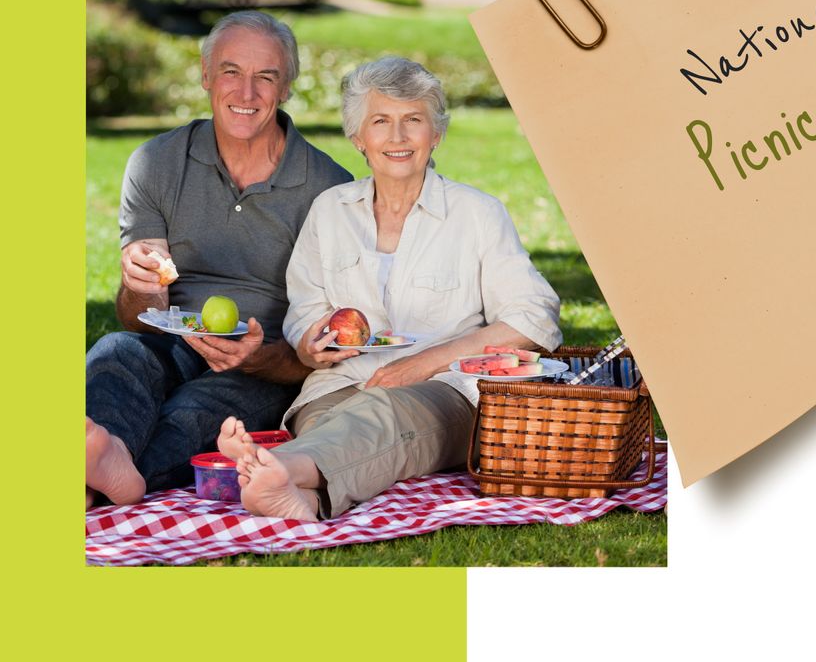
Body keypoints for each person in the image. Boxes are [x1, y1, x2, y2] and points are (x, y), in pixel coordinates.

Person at [216, 56, 561, 521]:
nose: (397, 138)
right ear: (359, 137)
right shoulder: (330, 211)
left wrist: (420, 365)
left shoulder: (476, 214)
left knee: (384, 416)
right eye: (381, 121)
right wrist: (310, 346)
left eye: (412, 121)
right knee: (329, 424)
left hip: (446, 392)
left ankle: (277, 464)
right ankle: (303, 500)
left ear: (435, 134)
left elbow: (534, 318)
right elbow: (304, 310)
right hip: (340, 383)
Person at [85, 11, 352, 509]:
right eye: (231, 71)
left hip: (263, 366)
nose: (245, 93)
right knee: (115, 353)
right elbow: (134, 319)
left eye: (265, 77)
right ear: (206, 76)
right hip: (172, 342)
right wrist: (142, 284)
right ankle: (101, 467)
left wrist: (263, 359)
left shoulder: (329, 190)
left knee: (196, 412)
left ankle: (103, 484)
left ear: (287, 86)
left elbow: (325, 351)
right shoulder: (155, 162)